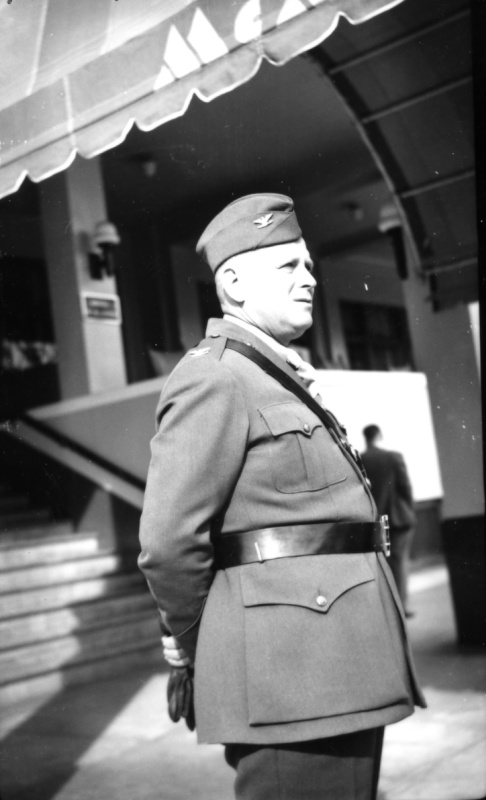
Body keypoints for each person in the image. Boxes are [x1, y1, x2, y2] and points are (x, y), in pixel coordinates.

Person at [138, 194, 425, 800]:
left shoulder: (274, 373)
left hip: (334, 665)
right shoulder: (214, 375)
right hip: (292, 677)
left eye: (310, 265)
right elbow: (168, 544)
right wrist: (202, 645)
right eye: (289, 265)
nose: (310, 278)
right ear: (234, 284)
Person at [361, 425, 416, 618]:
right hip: (398, 518)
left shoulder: (361, 459)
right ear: (379, 435)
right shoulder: (393, 457)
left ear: (366, 438)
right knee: (400, 562)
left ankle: (388, 607)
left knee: (382, 564)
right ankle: (401, 607)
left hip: (374, 520)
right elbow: (405, 487)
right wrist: (409, 510)